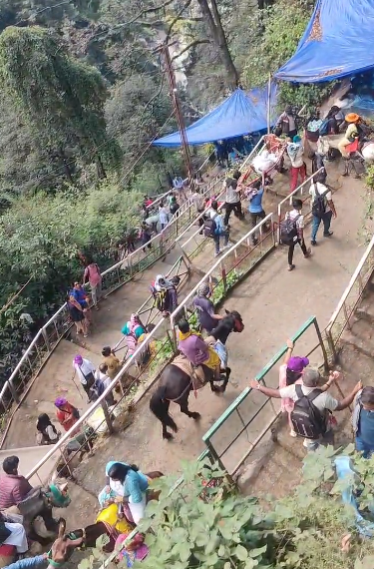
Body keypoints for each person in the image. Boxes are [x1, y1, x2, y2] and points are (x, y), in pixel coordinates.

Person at [250, 370, 363, 451]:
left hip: (305, 429)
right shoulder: (324, 398)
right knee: (327, 445)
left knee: (311, 444)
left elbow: (275, 393)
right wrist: (354, 391)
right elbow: (341, 405)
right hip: (321, 429)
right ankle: (327, 457)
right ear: (315, 383)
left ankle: (311, 451)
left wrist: (259, 387)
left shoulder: (294, 389)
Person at [284, 198, 311, 271]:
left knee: (291, 248)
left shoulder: (288, 213)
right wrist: (301, 237)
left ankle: (289, 265)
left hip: (290, 233)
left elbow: (286, 223)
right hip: (296, 234)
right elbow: (300, 229)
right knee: (301, 242)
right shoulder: (300, 217)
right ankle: (305, 254)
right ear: (299, 207)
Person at [309, 178, 337, 246]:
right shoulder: (327, 191)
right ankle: (326, 232)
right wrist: (334, 212)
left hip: (315, 209)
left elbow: (310, 195)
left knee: (315, 224)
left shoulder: (313, 186)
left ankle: (312, 238)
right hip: (326, 211)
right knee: (327, 222)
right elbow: (330, 203)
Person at [352, 386, 374, 458]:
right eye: (363, 405)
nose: (363, 408)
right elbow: (355, 406)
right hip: (360, 438)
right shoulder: (360, 397)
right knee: (360, 458)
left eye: (366, 406)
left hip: (373, 443)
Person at [247, 180, 266, 245]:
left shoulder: (250, 192)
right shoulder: (260, 192)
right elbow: (263, 188)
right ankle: (264, 228)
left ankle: (253, 238)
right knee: (264, 217)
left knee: (253, 224)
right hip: (258, 209)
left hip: (251, 210)